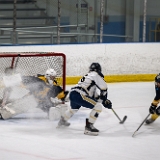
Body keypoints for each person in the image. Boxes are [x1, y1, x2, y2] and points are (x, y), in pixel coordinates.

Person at [57, 62, 112, 136]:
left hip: (73, 94)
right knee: (98, 107)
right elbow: (104, 88)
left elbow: (94, 97)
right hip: (80, 94)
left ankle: (62, 121)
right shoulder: (95, 74)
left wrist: (104, 101)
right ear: (98, 70)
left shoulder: (88, 77)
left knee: (73, 109)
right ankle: (89, 127)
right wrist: (105, 100)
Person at [0, 68, 68, 120]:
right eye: (51, 77)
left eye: (53, 77)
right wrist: (9, 80)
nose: (52, 79)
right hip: (32, 100)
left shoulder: (55, 87)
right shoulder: (37, 80)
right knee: (9, 112)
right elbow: (22, 79)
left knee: (53, 113)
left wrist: (65, 98)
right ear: (47, 76)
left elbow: (63, 95)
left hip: (44, 103)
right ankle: (2, 114)